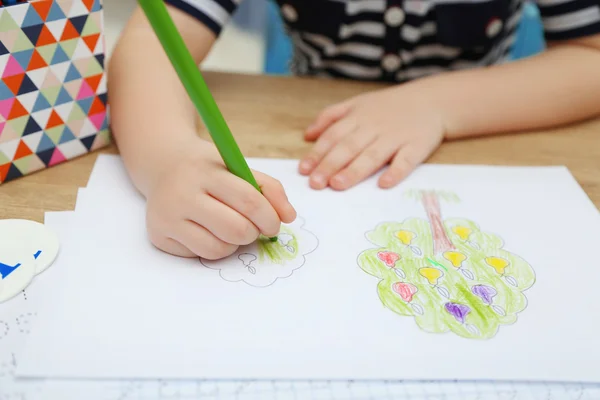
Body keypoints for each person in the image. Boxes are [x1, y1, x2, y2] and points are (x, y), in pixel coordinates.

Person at [107, 0, 600, 260]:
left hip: (487, 132)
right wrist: (169, 157)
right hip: (302, 131)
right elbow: (153, 41)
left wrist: (438, 104)